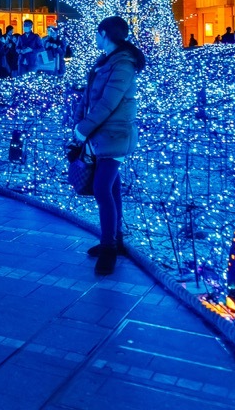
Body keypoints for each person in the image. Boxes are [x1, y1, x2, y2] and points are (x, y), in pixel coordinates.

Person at [72, 16, 145, 277]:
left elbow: (108, 103)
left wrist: (84, 128)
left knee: (102, 188)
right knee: (111, 188)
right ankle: (115, 239)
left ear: (103, 33)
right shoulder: (105, 61)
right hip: (100, 134)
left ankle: (109, 248)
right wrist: (80, 121)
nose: (94, 37)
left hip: (115, 135)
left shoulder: (123, 64)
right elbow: (89, 96)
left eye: (96, 33)